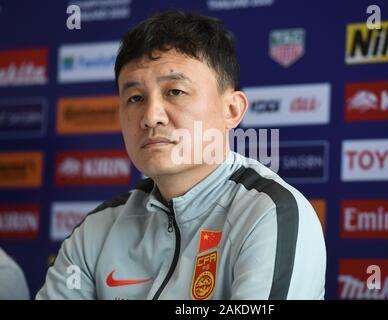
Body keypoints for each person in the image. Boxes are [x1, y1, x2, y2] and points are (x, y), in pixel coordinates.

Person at [36, 10, 326, 300]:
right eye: (135, 98)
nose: (151, 117)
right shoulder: (96, 230)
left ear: (232, 110)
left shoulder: (268, 214)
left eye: (175, 91)